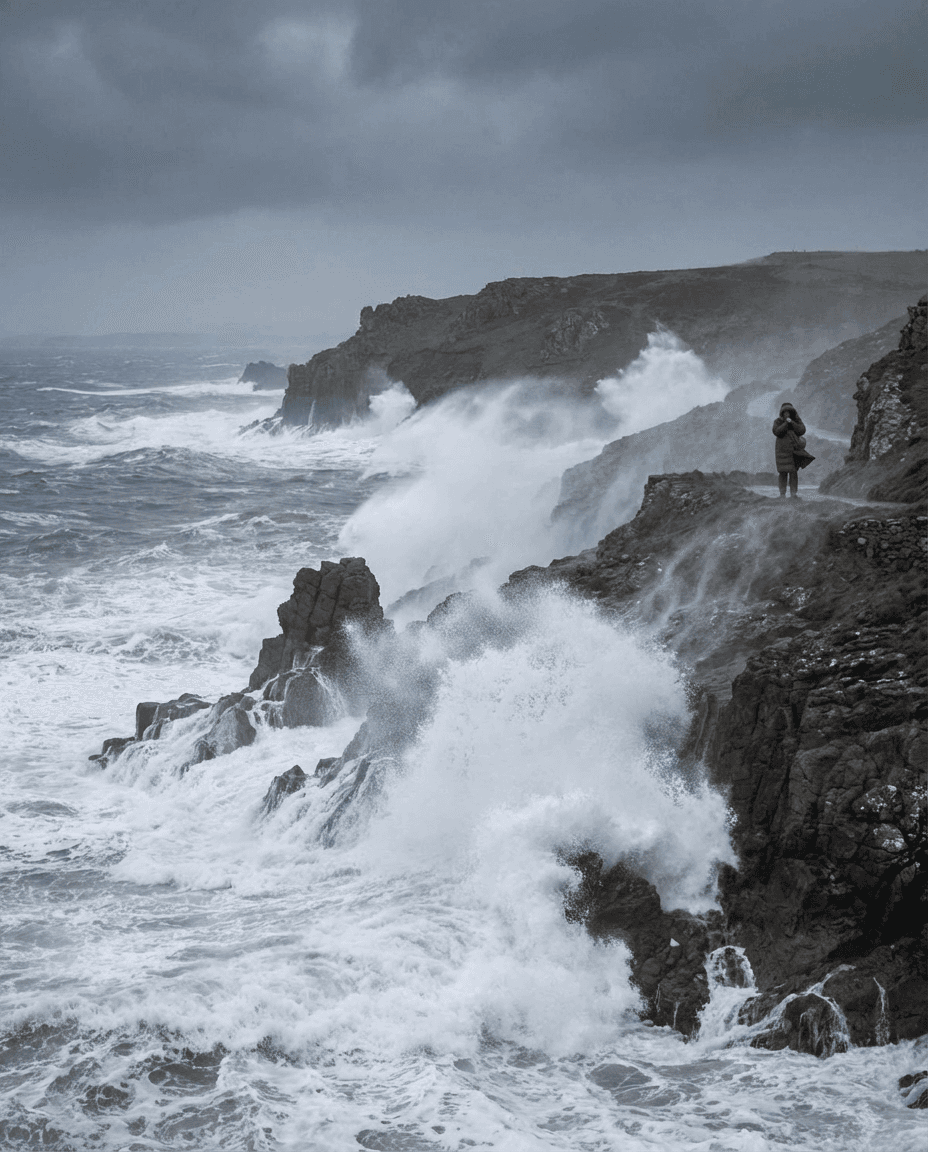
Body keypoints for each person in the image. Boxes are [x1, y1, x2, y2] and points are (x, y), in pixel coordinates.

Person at [772, 402, 806, 498]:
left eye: (789, 412)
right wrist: (786, 423)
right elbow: (777, 432)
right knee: (782, 472)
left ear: (792, 413)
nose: (787, 414)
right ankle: (782, 494)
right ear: (782, 413)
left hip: (794, 450)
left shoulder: (796, 421)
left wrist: (792, 422)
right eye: (785, 412)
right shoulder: (777, 421)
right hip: (781, 451)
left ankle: (793, 494)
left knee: (793, 472)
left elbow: (802, 430)